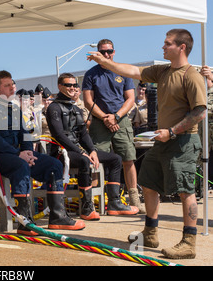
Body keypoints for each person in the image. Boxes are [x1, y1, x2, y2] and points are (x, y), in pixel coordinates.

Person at [87, 28, 207, 260]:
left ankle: (189, 242)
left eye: (168, 43)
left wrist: (172, 131)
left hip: (182, 141)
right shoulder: (162, 70)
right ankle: (150, 232)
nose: (163, 47)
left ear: (182, 47)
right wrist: (106, 62)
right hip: (161, 140)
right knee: (148, 183)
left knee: (185, 190)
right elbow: (133, 70)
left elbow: (200, 111)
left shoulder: (190, 75)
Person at [0, 70, 85, 235]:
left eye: (13, 84)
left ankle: (58, 217)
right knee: (20, 166)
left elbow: (24, 134)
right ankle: (25, 221)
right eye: (7, 85)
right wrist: (18, 154)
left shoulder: (14, 108)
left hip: (17, 154)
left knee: (54, 164)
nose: (12, 88)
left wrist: (27, 152)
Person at [46, 73, 139, 220]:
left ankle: (114, 203)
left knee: (115, 159)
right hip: (61, 152)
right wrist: (81, 152)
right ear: (60, 86)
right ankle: (87, 208)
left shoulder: (76, 109)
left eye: (74, 85)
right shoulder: (54, 108)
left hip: (78, 151)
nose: (72, 88)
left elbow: (83, 134)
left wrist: (93, 151)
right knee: (84, 161)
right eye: (68, 85)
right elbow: (59, 135)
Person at [82, 39, 145, 214]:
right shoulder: (91, 74)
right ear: (98, 53)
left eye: (109, 51)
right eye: (103, 52)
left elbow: (130, 99)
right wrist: (105, 118)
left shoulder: (122, 72)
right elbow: (87, 101)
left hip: (121, 119)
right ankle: (94, 201)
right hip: (99, 120)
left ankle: (134, 199)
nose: (106, 55)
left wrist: (116, 117)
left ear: (114, 52)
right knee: (95, 160)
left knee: (128, 159)